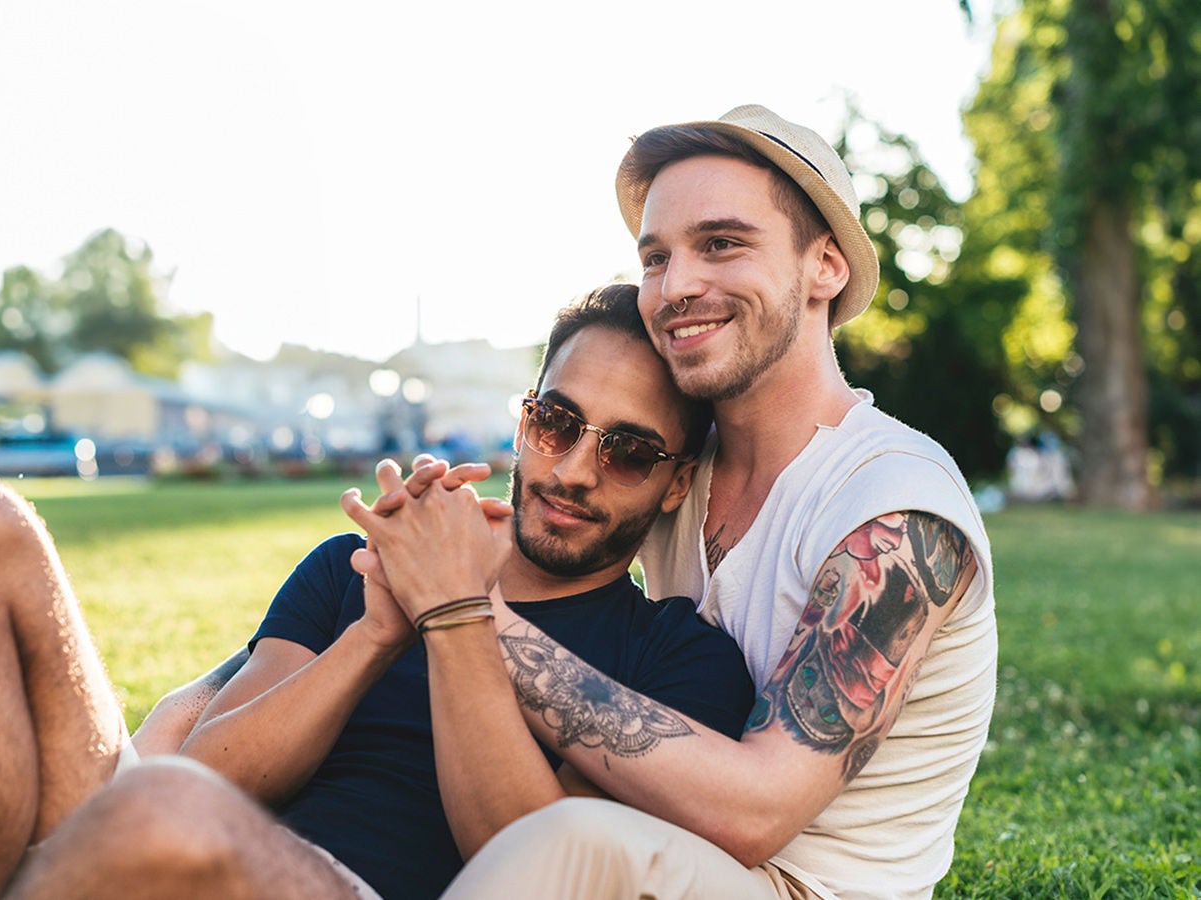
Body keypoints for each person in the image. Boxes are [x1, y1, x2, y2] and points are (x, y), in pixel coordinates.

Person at [0, 283, 754, 900]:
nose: (572, 470)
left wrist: (454, 610)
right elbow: (212, 773)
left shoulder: (678, 658)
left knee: (159, 818)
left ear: (675, 484)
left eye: (629, 451)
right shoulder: (349, 570)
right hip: (192, 843)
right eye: (557, 424)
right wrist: (380, 626)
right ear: (524, 420)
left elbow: (536, 863)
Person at [349, 105, 997, 899]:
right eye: (656, 257)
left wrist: (459, 607)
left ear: (826, 266)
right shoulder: (666, 466)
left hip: (790, 886)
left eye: (722, 244)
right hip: (667, 850)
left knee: (563, 842)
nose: (676, 287)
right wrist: (434, 547)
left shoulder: (895, 506)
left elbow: (759, 812)